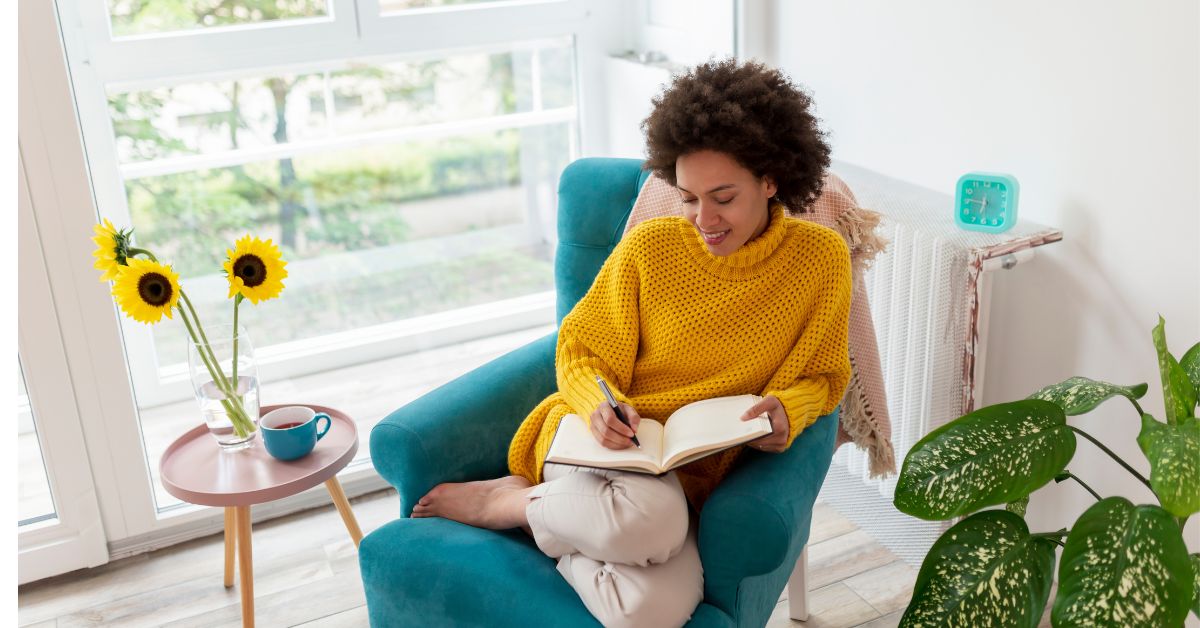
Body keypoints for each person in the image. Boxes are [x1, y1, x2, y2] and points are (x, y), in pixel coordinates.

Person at [411, 57, 853, 628]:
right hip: (605, 451)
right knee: (657, 523)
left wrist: (788, 411)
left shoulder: (820, 260)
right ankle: (505, 502)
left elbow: (822, 375)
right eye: (689, 197)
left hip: (689, 471)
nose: (703, 219)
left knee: (648, 611)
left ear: (771, 180)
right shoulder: (652, 248)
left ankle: (549, 526)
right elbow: (581, 347)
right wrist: (599, 404)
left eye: (723, 197)